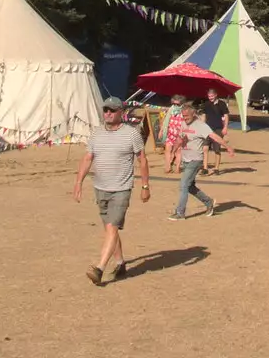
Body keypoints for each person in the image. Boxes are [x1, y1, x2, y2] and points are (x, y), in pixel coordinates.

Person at [73, 96, 150, 286]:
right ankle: (120, 263)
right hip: (101, 187)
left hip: (121, 188)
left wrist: (145, 186)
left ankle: (99, 269)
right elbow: (87, 158)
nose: (107, 113)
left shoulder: (131, 134)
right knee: (109, 228)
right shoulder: (96, 133)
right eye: (105, 110)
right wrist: (78, 182)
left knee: (113, 227)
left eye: (112, 110)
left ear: (121, 113)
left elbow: (142, 160)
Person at [168, 101, 234, 221]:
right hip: (186, 160)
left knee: (183, 185)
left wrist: (228, 147)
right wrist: (173, 151)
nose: (185, 118)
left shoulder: (201, 126)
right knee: (190, 187)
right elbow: (179, 138)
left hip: (196, 160)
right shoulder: (183, 123)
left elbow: (214, 136)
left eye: (187, 116)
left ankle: (180, 212)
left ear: (193, 114)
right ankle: (209, 202)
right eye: (183, 116)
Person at [201, 88, 232, 176]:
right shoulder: (206, 104)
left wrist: (225, 127)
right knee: (205, 148)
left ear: (215, 95)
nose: (210, 98)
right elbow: (203, 116)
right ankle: (205, 168)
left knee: (217, 149)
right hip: (207, 128)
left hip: (218, 128)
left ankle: (216, 168)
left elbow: (226, 116)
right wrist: (202, 127)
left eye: (211, 96)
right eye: (209, 96)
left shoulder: (221, 104)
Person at [163, 94, 187, 174]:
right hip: (170, 132)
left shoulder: (184, 111)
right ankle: (168, 166)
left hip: (180, 134)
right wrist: (162, 131)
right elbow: (166, 120)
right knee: (167, 150)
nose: (176, 105)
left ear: (182, 103)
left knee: (178, 151)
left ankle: (177, 168)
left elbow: (187, 122)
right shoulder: (171, 109)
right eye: (174, 103)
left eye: (178, 104)